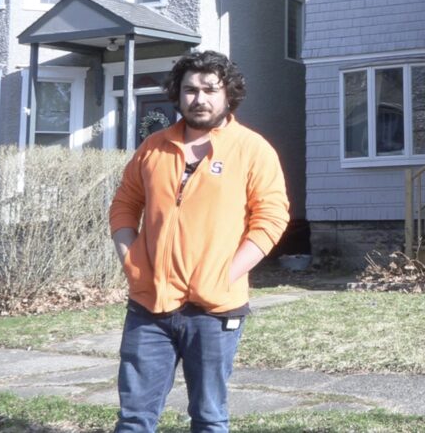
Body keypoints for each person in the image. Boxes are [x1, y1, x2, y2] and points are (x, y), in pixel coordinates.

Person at [108, 50, 290, 432]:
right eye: (190, 89)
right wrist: (131, 262)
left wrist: (228, 275)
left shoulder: (252, 149)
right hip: (149, 305)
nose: (200, 99)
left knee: (208, 417)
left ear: (229, 95)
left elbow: (271, 219)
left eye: (210, 89)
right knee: (134, 418)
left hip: (215, 309)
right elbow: (124, 206)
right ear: (178, 94)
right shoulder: (153, 147)